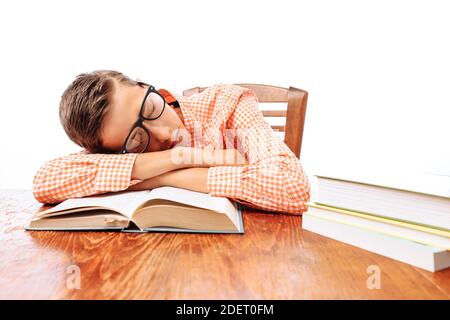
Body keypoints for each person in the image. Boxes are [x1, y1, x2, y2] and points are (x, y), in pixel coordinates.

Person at [33, 70, 310, 214]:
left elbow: (293, 185)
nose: (163, 134)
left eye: (151, 108)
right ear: (114, 152)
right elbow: (45, 181)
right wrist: (184, 163)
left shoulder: (229, 102)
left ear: (150, 88)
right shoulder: (111, 143)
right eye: (138, 140)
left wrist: (145, 175)